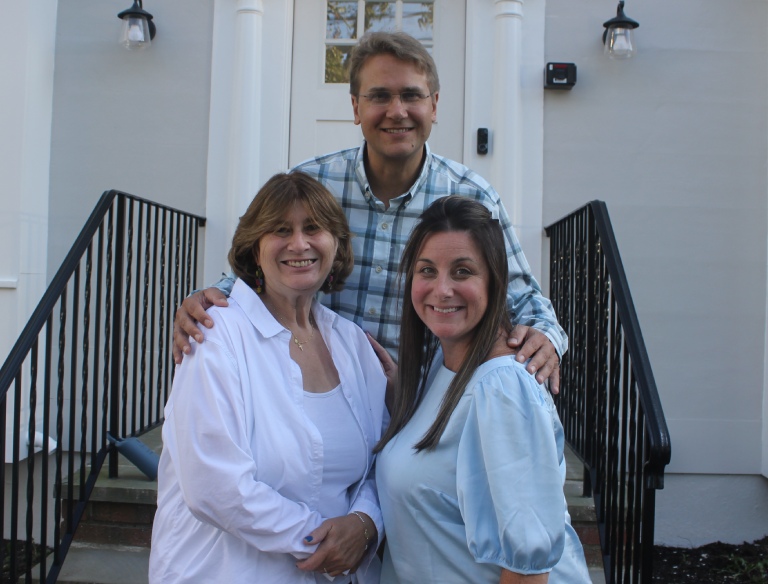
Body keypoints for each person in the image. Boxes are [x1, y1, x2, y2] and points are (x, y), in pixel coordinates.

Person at [173, 31, 567, 392]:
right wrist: (207, 303)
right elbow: (255, 272)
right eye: (379, 96)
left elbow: (524, 299)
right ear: (356, 107)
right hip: (315, 397)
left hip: (424, 408)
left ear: (434, 105)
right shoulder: (310, 185)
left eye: (412, 96)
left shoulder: (472, 197)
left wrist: (545, 337)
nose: (397, 111)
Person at [149, 172, 386, 583]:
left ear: (336, 245)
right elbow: (214, 486)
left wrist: (365, 523)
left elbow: (383, 458)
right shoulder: (214, 335)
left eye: (314, 228)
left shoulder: (353, 345)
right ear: (254, 250)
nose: (299, 244)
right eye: (280, 230)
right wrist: (325, 541)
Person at [374, 196, 591, 583]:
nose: (441, 289)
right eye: (427, 270)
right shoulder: (439, 367)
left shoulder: (504, 386)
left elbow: (528, 571)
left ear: (495, 280)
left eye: (462, 272)